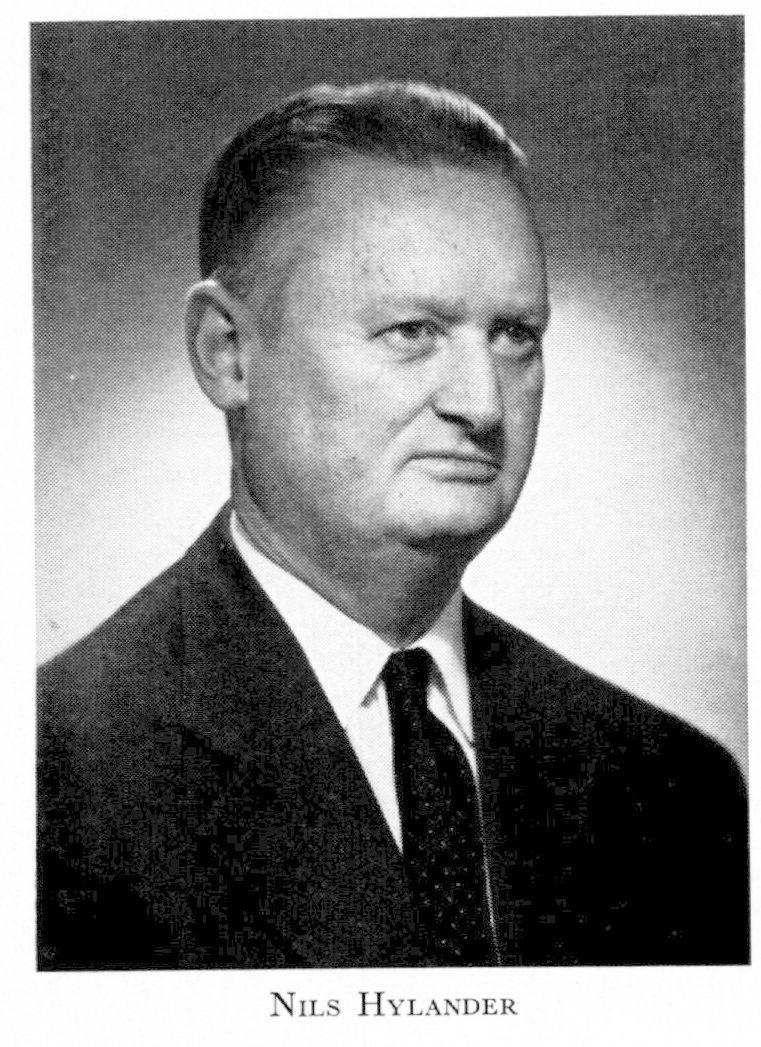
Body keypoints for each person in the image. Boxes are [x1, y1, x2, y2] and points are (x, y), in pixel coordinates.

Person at [37, 81, 748, 970]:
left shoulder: (672, 786)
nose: (482, 405)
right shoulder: (52, 778)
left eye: (514, 334)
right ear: (227, 353)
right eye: (412, 330)